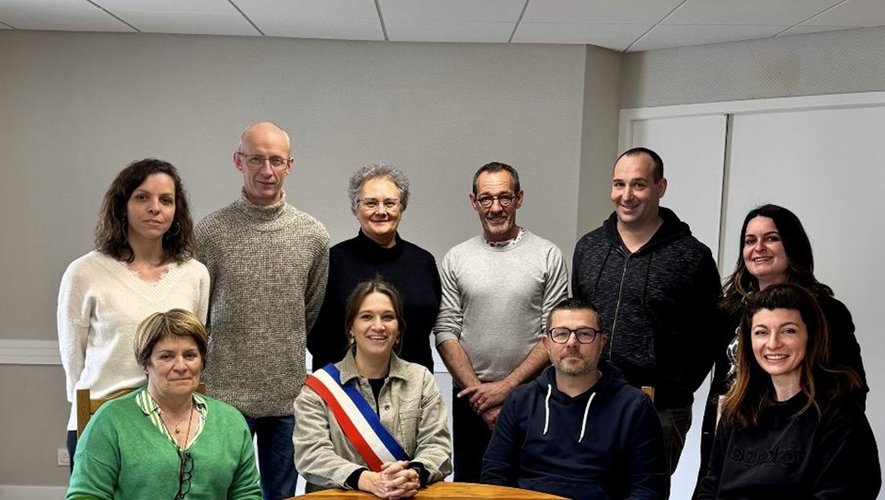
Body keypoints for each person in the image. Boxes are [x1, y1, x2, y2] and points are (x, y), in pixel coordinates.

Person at [195, 121, 329, 500]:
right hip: (222, 397)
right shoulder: (210, 233)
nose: (266, 170)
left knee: (281, 495)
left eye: (276, 160)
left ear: (290, 165)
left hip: (286, 397)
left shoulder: (313, 235)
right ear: (238, 162)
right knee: (220, 492)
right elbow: (197, 316)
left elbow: (309, 311)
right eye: (256, 159)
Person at [572, 146, 722, 474]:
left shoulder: (692, 256)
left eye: (638, 184)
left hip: (659, 410)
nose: (626, 195)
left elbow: (712, 334)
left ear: (660, 187)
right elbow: (577, 323)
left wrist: (676, 387)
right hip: (591, 401)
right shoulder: (588, 248)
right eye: (619, 184)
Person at [696, 203, 868, 485]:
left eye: (771, 238)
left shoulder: (826, 311)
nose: (758, 248)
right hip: (734, 433)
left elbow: (853, 388)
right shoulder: (730, 310)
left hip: (795, 447)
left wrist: (822, 439)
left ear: (792, 245)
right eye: (750, 241)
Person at [58, 158, 209, 466]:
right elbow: (73, 357)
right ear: (122, 206)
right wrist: (87, 411)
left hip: (173, 424)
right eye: (142, 197)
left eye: (166, 200)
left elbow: (195, 347)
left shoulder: (195, 274)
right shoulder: (84, 272)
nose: (155, 208)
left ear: (176, 211)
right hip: (100, 420)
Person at [434, 161, 568, 482]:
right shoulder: (456, 258)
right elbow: (446, 331)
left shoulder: (548, 255)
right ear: (474, 201)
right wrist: (481, 397)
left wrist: (506, 388)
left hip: (532, 397)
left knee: (529, 489)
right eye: (486, 199)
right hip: (470, 400)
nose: (495, 208)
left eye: (504, 197)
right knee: (472, 487)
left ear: (519, 198)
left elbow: (554, 333)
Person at [697, 284, 880, 499]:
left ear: (811, 336)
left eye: (788, 331)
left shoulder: (840, 418)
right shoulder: (737, 411)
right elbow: (709, 488)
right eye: (761, 332)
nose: (773, 343)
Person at [482, 298, 668, 499]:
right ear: (546, 344)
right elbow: (494, 476)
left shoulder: (634, 406)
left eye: (584, 334)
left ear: (601, 342)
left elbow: (648, 490)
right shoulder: (521, 400)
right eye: (561, 334)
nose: (572, 343)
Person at [67, 309, 262, 499]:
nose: (181, 366)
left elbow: (246, 494)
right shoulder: (110, 421)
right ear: (145, 363)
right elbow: (85, 495)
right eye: (166, 356)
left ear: (202, 361)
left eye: (190, 355)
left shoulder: (231, 422)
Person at [294, 279, 451, 497]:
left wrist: (413, 474)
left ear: (398, 330)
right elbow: (311, 456)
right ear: (351, 328)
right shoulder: (317, 389)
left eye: (388, 317)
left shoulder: (421, 379)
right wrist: (366, 479)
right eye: (366, 316)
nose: (378, 326)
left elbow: (437, 445)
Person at [308, 163, 440, 372]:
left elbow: (432, 326)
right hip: (345, 386)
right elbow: (314, 335)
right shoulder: (331, 262)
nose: (381, 211)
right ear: (356, 209)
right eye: (371, 203)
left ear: (401, 207)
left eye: (390, 203)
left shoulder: (423, 262)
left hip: (413, 385)